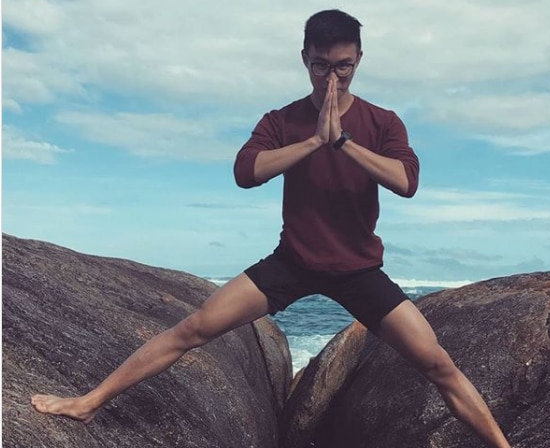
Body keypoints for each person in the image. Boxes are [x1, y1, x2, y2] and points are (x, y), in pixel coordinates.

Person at [32, 9, 511, 447]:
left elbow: (406, 182)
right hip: (294, 262)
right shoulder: (281, 120)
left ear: (359, 59)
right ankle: (88, 403)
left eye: (343, 65)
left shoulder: (382, 122)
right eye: (322, 64)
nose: (332, 76)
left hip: (359, 270)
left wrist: (342, 143)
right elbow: (246, 172)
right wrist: (312, 143)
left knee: (438, 363)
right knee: (193, 329)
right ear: (305, 58)